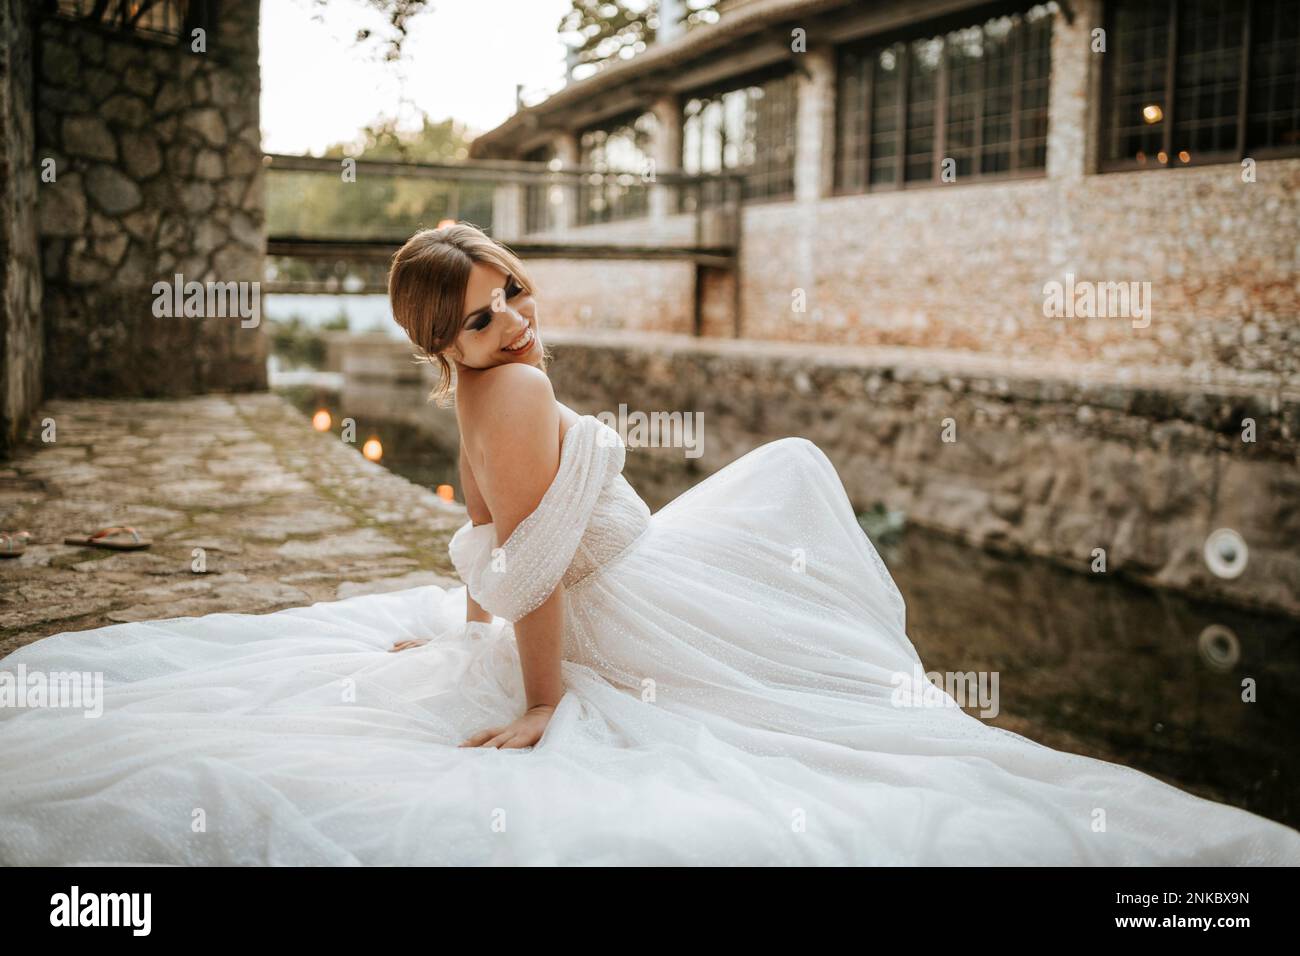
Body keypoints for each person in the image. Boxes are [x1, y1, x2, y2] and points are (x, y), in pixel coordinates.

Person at [1, 223, 1296, 866]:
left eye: (508, 291)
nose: (510, 319)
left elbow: (490, 530)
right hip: (629, 600)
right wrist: (541, 702)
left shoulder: (481, 389)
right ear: (437, 347)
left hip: (627, 566)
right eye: (478, 316)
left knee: (783, 475)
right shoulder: (510, 394)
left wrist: (469, 634)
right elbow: (538, 558)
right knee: (797, 497)